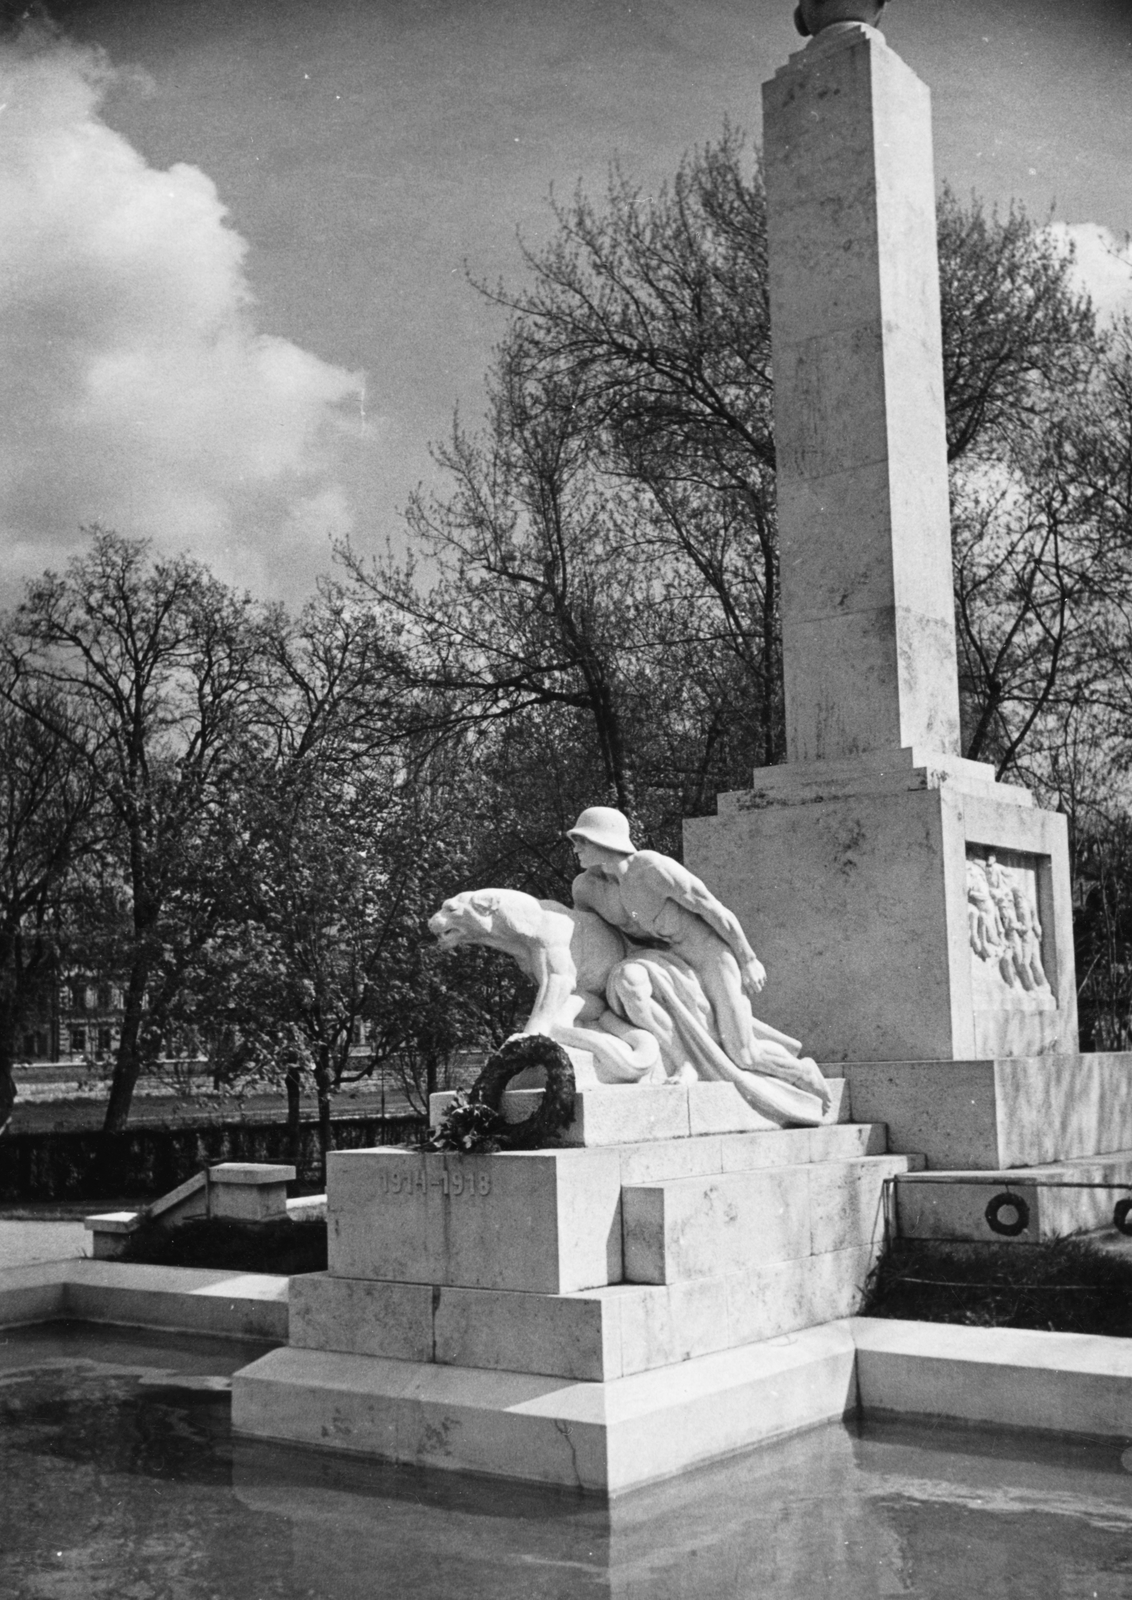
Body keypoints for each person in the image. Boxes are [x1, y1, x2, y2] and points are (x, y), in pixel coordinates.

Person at [567, 807, 831, 1120]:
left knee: (743, 1052)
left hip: (708, 958)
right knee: (627, 981)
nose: (576, 848)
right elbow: (589, 936)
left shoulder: (651, 868)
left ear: (605, 840)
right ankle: (683, 1061)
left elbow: (713, 910)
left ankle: (802, 1072)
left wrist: (748, 959)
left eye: (582, 840)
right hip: (658, 960)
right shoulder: (586, 889)